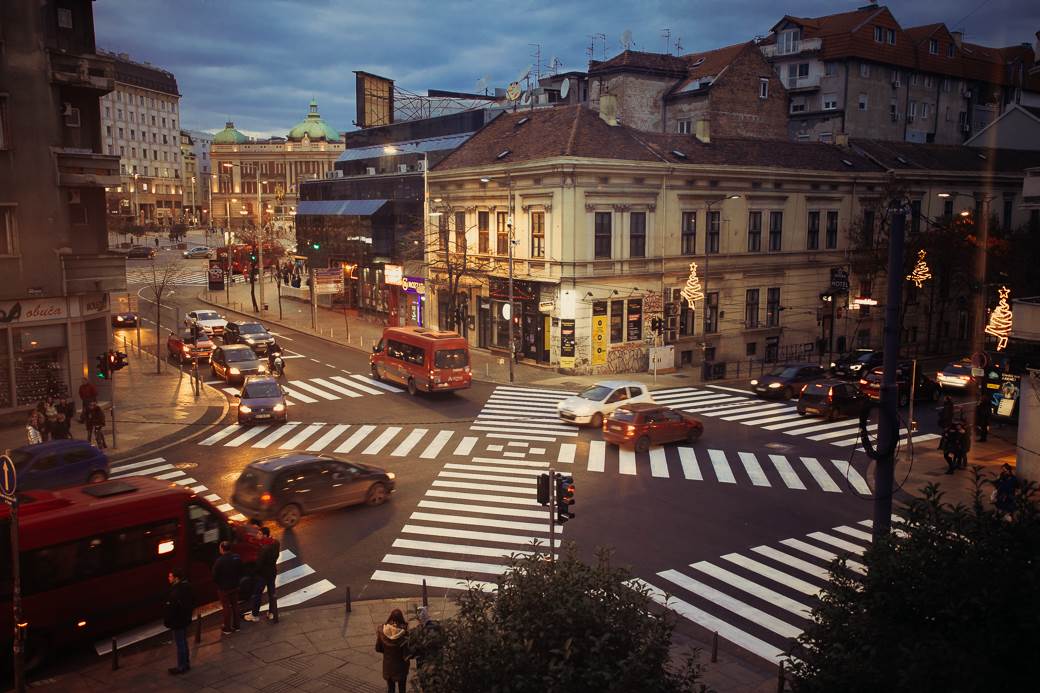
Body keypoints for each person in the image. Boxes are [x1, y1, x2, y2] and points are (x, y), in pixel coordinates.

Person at [163, 568, 195, 675]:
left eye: (170, 576)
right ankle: (186, 663)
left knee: (180, 643)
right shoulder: (187, 587)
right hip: (185, 618)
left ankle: (182, 666)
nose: (168, 578)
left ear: (176, 578)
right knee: (184, 642)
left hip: (177, 621)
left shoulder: (176, 591)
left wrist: (168, 621)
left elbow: (171, 609)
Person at [245, 526, 280, 623]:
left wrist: (254, 572)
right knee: (271, 593)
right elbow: (276, 555)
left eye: (259, 534)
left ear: (265, 535)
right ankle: (272, 613)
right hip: (272, 571)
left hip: (263, 575)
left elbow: (259, 564)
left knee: (257, 594)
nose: (257, 535)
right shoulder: (276, 542)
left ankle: (255, 615)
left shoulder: (263, 548)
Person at [375, 609, 409, 693]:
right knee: (402, 688)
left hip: (388, 665)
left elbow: (378, 648)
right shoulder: (404, 634)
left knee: (390, 689)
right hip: (401, 667)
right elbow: (407, 654)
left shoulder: (382, 631)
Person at [212, 541, 242, 635]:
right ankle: (237, 626)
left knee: (226, 607)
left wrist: (219, 584)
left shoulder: (219, 561)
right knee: (235, 605)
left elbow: (214, 576)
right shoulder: (237, 557)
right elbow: (241, 570)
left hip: (224, 588)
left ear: (222, 549)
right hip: (235, 585)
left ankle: (227, 628)